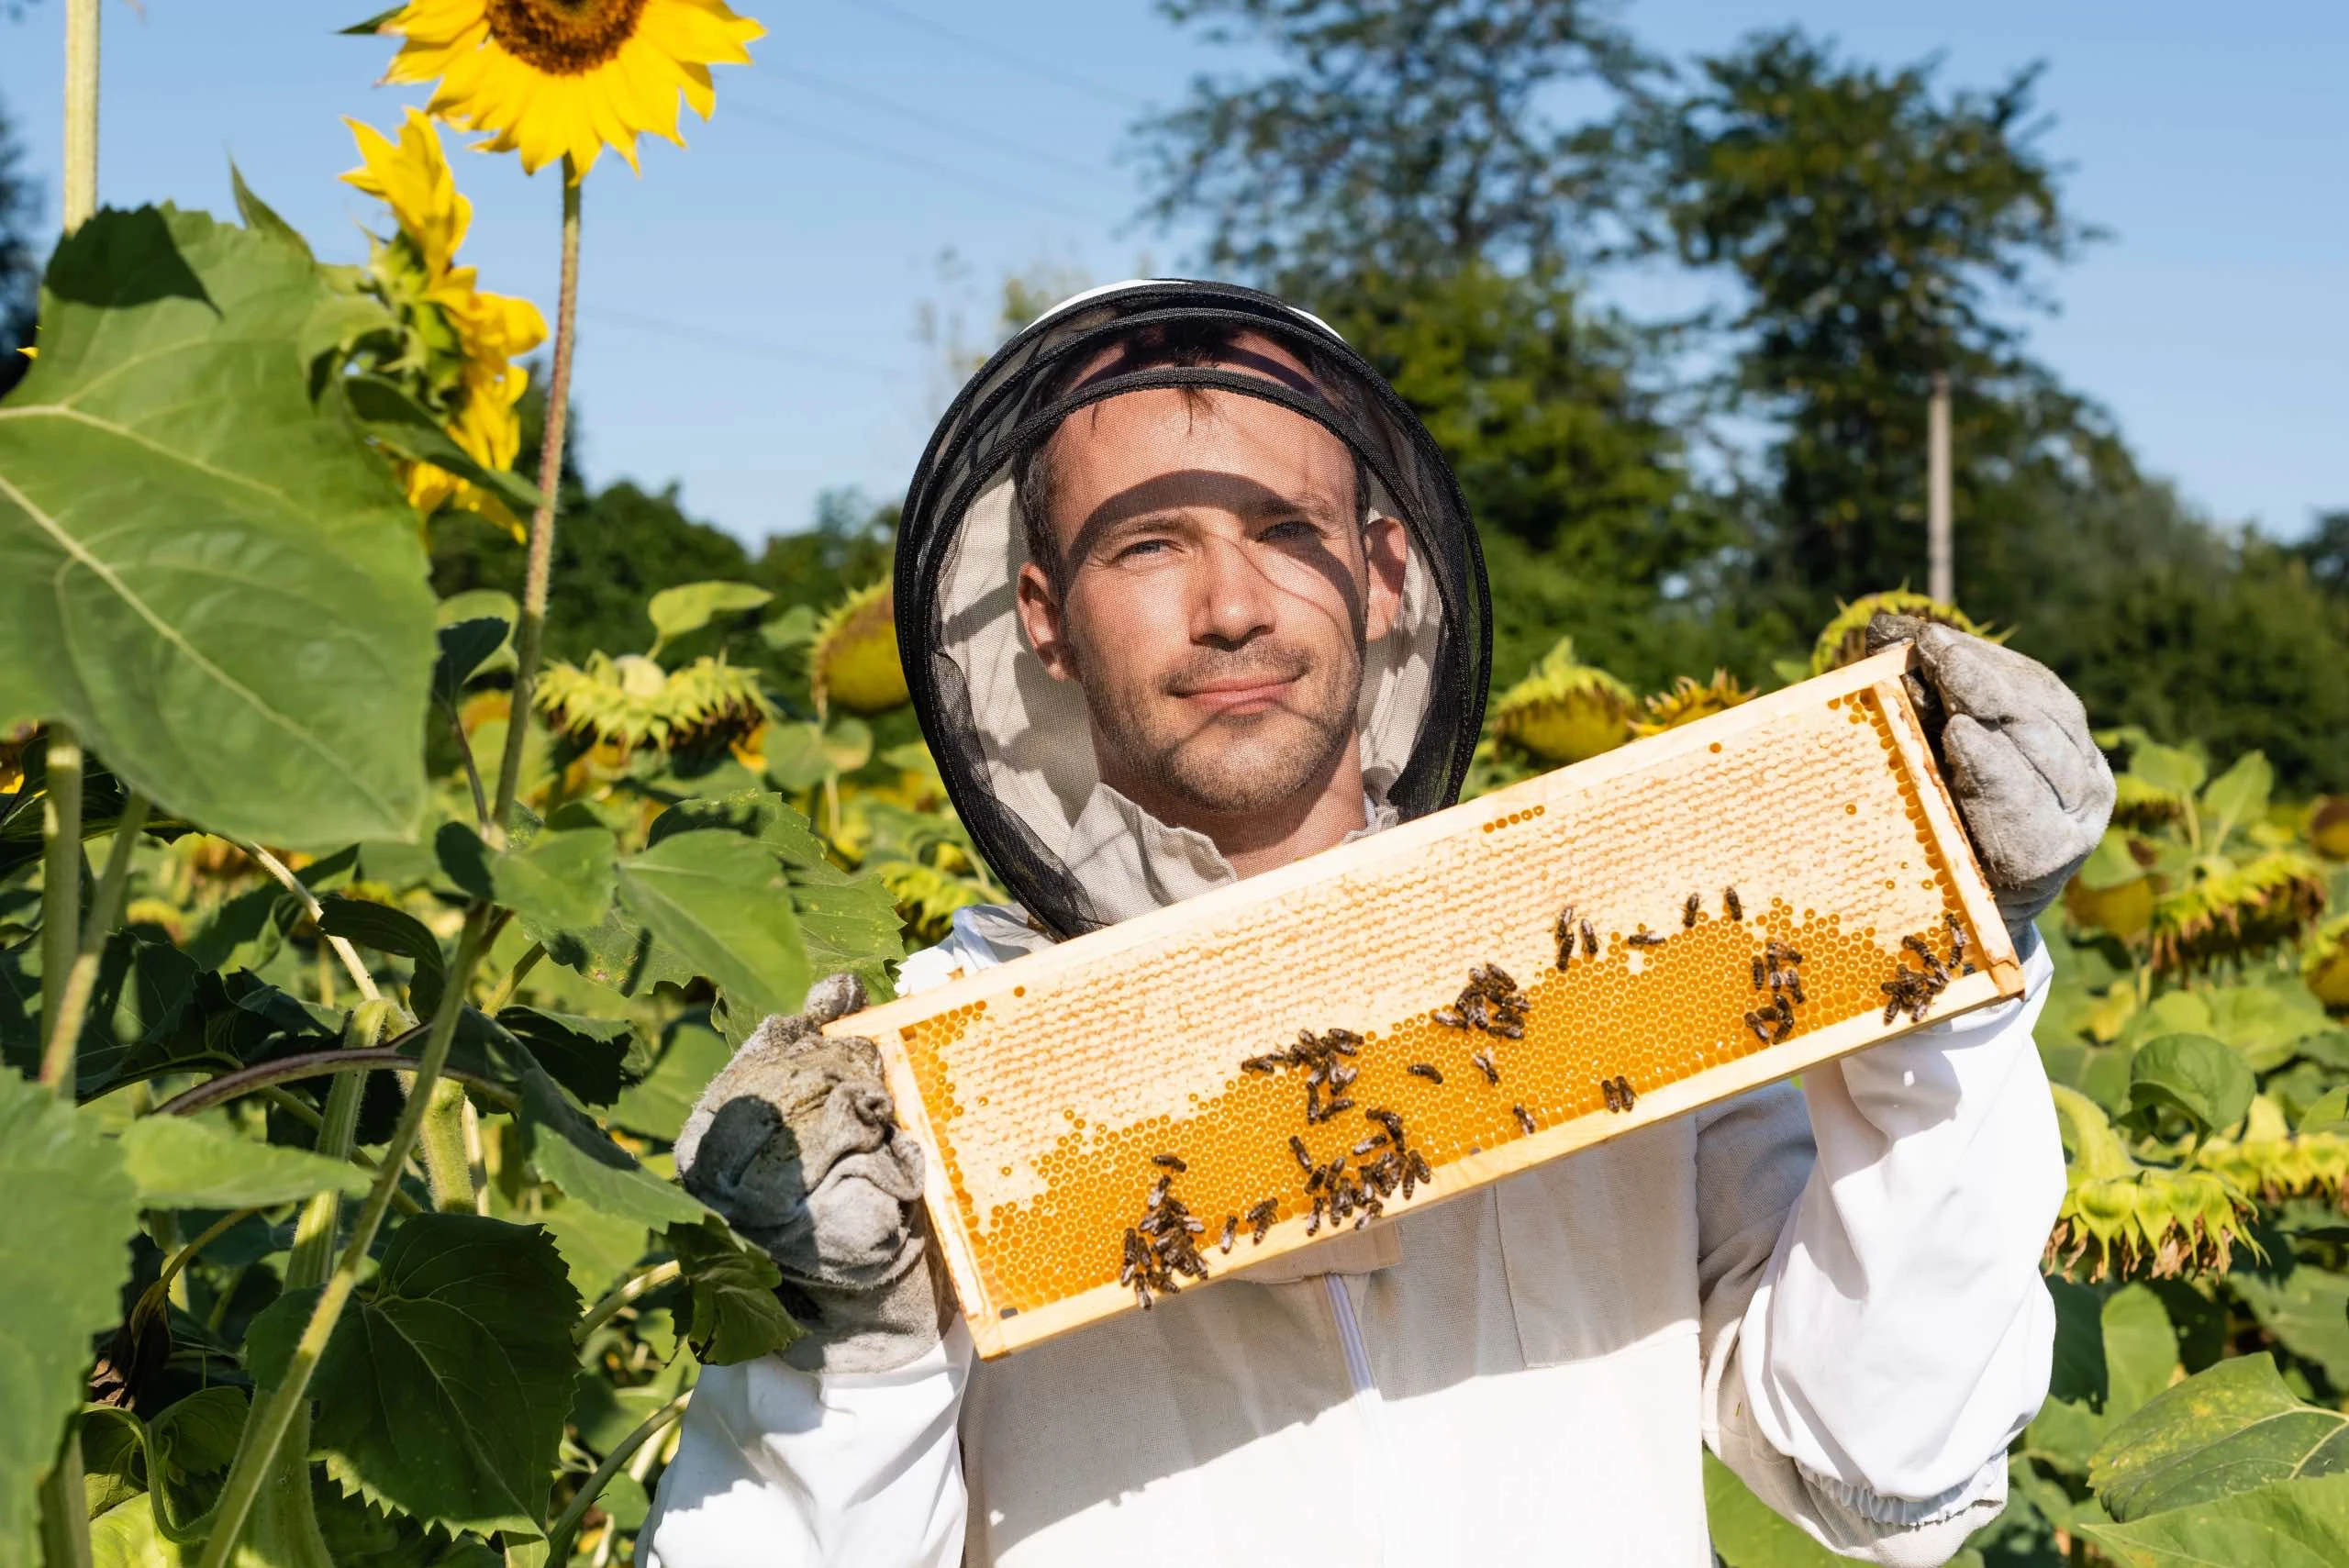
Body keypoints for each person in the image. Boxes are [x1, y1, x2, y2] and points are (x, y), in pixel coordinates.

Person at [642, 281, 2111, 1567]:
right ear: (1043, 617)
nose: (1229, 605)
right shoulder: (924, 1098)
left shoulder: (1601, 958)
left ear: (1388, 569)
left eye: (1285, 528)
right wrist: (855, 1350)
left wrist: (1955, 995)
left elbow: (1893, 1477)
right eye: (1146, 546)